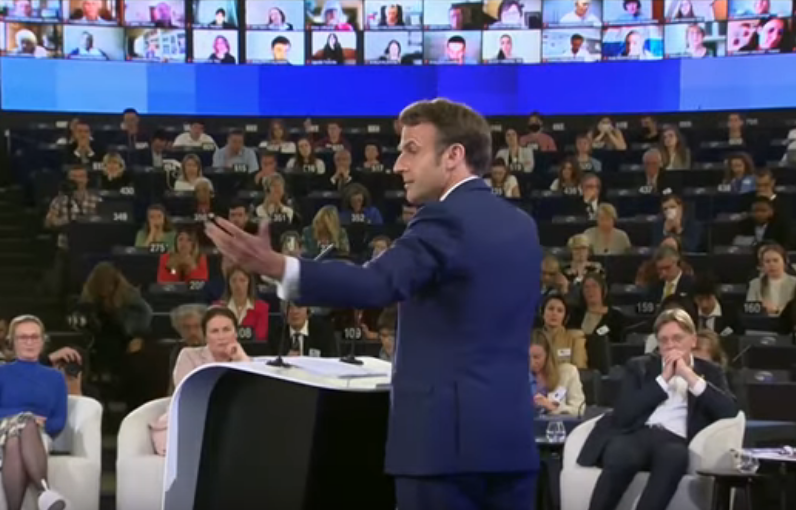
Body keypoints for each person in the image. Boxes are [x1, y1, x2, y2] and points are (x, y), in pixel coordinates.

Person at [206, 98, 541, 510]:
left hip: (443, 453)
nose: (399, 164)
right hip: (512, 446)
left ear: (454, 156)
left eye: (411, 150)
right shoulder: (522, 226)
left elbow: (376, 282)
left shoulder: (445, 219)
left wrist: (279, 266)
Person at [578, 308, 737, 510]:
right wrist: (663, 380)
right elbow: (623, 415)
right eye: (664, 340)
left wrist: (689, 377)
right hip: (638, 434)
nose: (670, 345)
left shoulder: (710, 371)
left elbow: (728, 411)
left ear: (693, 341)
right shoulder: (639, 366)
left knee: (674, 458)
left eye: (677, 338)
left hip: (675, 440)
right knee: (620, 453)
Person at [150, 307, 250, 456]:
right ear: (206, 336)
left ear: (236, 333)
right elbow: (187, 395)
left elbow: (251, 397)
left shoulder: (242, 360)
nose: (221, 336)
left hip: (230, 425)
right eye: (215, 331)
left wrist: (241, 358)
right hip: (190, 421)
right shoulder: (189, 355)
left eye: (226, 329)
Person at [0, 315, 68, 510]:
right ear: (12, 342)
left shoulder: (55, 378)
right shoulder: (2, 373)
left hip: (38, 436)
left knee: (15, 440)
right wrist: (24, 416)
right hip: (1, 431)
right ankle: (44, 491)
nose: (29, 342)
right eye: (23, 338)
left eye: (34, 337)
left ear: (42, 340)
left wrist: (38, 424)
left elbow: (58, 421)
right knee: (26, 421)